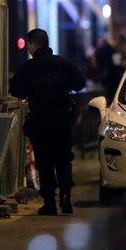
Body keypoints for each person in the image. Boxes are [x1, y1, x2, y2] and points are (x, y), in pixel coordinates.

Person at [9, 28, 86, 216]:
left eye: (28, 44)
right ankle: (66, 198)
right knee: (63, 159)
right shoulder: (63, 63)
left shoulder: (29, 67)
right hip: (61, 119)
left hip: (40, 120)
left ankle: (50, 203)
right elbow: (80, 83)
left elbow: (16, 89)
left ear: (34, 44)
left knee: (44, 162)